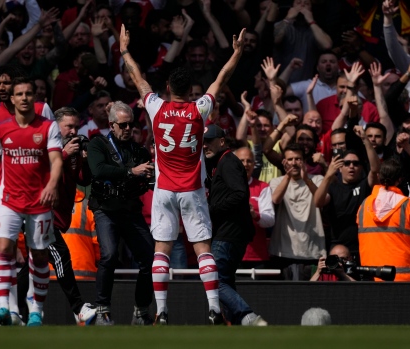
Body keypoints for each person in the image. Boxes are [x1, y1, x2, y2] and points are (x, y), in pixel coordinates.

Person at [121, 22, 247, 324]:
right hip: (192, 190)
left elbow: (137, 78)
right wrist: (237, 52)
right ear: (190, 91)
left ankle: (162, 312)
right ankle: (214, 309)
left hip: (163, 191)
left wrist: (125, 50)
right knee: (203, 249)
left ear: (167, 89)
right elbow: (221, 78)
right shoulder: (199, 109)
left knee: (161, 250)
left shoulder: (155, 107)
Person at [0, 77, 63, 326]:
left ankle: (36, 309)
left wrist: (51, 185)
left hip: (40, 200)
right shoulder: (1, 128)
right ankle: (4, 307)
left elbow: (57, 160)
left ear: (34, 98)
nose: (24, 98)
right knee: (4, 248)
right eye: (20, 94)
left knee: (39, 255)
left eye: (28, 93)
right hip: (8, 199)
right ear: (12, 99)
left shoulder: (48, 127)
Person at [16, 107, 94, 325]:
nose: (73, 131)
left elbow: (82, 180)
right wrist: (66, 153)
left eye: (76, 126)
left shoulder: (72, 150)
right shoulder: (43, 145)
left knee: (30, 267)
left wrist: (85, 160)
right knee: (61, 255)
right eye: (69, 126)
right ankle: (78, 308)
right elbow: (39, 174)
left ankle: (10, 308)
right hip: (38, 215)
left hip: (56, 219)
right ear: (55, 126)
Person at [85, 101, 155, 326]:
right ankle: (102, 309)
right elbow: (98, 170)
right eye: (123, 125)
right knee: (109, 255)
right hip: (106, 209)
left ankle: (141, 311)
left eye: (130, 125)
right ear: (112, 124)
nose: (127, 130)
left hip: (131, 210)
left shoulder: (138, 150)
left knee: (149, 258)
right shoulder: (99, 144)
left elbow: (151, 178)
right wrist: (131, 172)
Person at [204, 126, 267, 326]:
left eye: (210, 140)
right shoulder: (220, 162)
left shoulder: (229, 162)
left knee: (214, 280)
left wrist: (212, 209)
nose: (205, 144)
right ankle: (233, 323)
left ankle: (248, 316)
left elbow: (240, 194)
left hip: (228, 233)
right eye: (203, 140)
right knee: (226, 280)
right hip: (232, 233)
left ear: (222, 141)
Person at [357, 158, 410, 281]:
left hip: (372, 277)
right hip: (404, 278)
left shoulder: (364, 205)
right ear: (400, 179)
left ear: (378, 177)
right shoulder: (406, 205)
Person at [314, 126, 380, 254]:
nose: (351, 166)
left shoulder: (365, 185)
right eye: (347, 163)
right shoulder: (333, 188)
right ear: (339, 167)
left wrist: (365, 139)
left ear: (361, 168)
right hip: (338, 248)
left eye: (356, 164)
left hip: (364, 246)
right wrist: (328, 175)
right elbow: (318, 202)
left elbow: (375, 169)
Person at [269, 143, 325, 280]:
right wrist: (287, 177)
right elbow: (275, 199)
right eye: (290, 159)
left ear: (304, 161)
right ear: (284, 162)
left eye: (298, 159)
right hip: (283, 252)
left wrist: (306, 179)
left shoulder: (317, 179)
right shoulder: (276, 181)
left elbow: (322, 200)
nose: (294, 163)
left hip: (312, 251)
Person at [234, 146, 274, 269]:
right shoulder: (225, 186)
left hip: (256, 256)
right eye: (241, 161)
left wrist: (254, 214)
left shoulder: (263, 187)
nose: (245, 164)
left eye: (249, 161)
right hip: (232, 254)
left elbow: (270, 220)